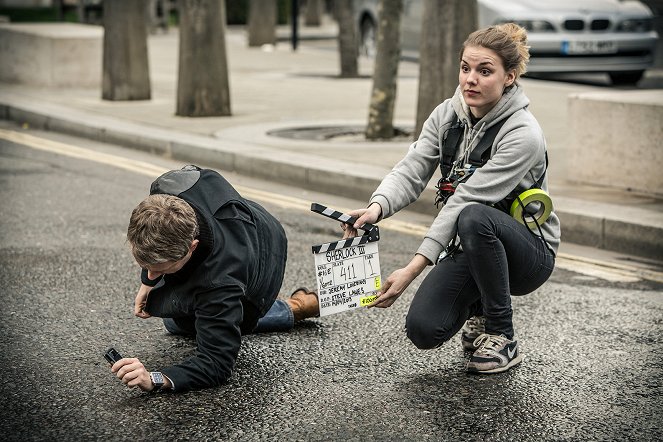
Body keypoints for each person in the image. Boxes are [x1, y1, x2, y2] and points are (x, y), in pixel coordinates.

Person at [343, 23, 560, 374]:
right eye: (465, 68)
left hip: (528, 256)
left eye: (484, 71)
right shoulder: (447, 114)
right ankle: (478, 307)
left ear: (510, 77)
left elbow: (463, 201)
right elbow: (412, 169)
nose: (470, 79)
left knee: (474, 215)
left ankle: (502, 334)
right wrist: (375, 207)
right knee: (424, 330)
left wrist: (413, 269)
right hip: (472, 246)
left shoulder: (523, 134)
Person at [110, 165, 319, 392]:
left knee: (180, 324)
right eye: (145, 267)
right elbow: (153, 241)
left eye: (159, 270)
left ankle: (294, 308)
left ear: (192, 247)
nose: (151, 276)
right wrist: (148, 283)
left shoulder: (221, 280)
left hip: (266, 255)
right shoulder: (168, 189)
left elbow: (216, 364)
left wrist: (154, 379)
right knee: (169, 308)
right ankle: (223, 314)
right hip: (241, 220)